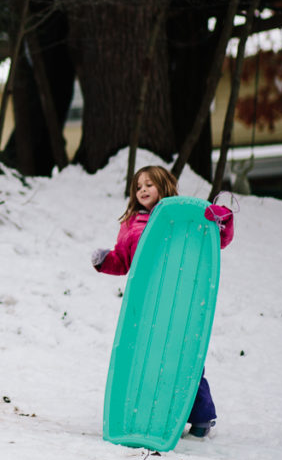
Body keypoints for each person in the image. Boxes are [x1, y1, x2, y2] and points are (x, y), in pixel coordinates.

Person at [90, 165, 234, 438]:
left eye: (149, 184)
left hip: (180, 297)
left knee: (184, 355)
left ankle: (202, 416)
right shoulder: (130, 223)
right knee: (147, 354)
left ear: (164, 186)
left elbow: (215, 241)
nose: (143, 190)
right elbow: (123, 260)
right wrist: (104, 261)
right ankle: (149, 411)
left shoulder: (185, 219)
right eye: (138, 186)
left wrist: (221, 219)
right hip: (146, 302)